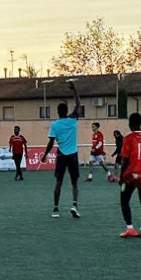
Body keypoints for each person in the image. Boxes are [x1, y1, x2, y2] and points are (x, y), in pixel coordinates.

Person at [41, 81, 82, 218]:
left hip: (62, 155)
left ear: (58, 112)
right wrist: (74, 90)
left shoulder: (55, 125)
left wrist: (45, 154)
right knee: (74, 182)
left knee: (59, 182)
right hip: (73, 154)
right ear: (66, 111)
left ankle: (56, 209)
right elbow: (78, 105)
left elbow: (51, 142)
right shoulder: (73, 120)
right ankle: (75, 205)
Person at [118, 112, 141, 238]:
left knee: (124, 200)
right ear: (140, 123)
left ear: (130, 124)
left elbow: (125, 160)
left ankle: (130, 228)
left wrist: (122, 176)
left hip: (131, 175)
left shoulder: (128, 139)